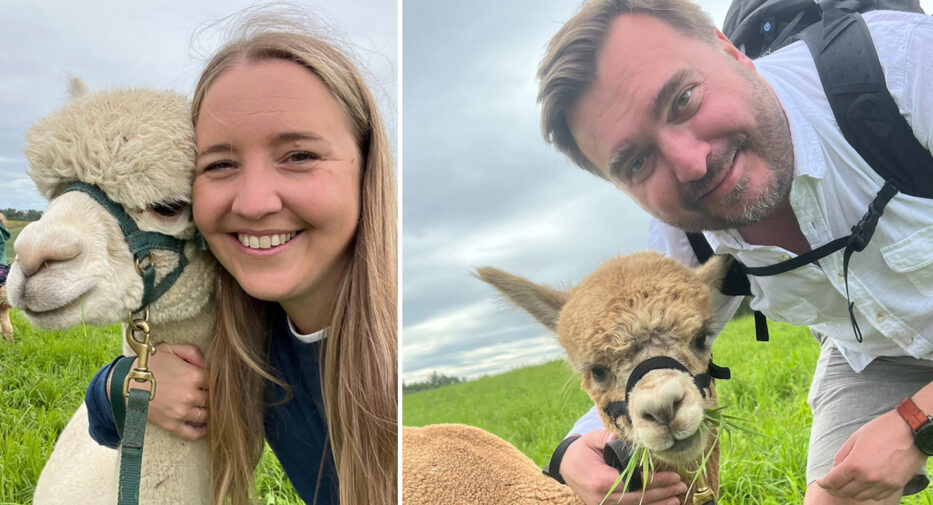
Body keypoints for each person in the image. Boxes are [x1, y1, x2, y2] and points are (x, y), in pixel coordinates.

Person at [537, 0, 933, 504]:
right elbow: (638, 351)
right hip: (875, 351)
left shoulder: (909, 69)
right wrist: (571, 449)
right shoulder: (688, 240)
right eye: (638, 161)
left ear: (729, 52)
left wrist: (915, 424)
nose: (692, 163)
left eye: (683, 99)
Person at [84, 12, 397, 505]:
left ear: (366, 166)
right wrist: (128, 381)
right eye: (221, 164)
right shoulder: (245, 340)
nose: (253, 203)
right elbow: (101, 418)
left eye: (299, 156)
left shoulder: (402, 348)